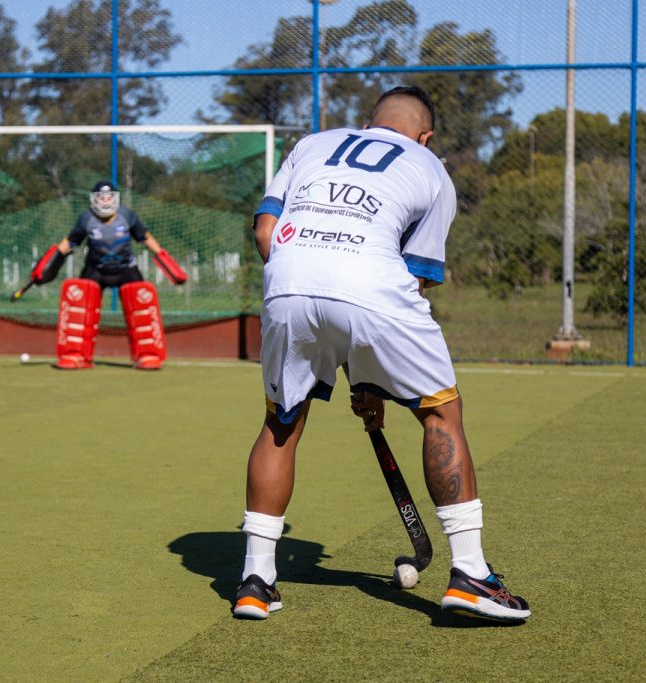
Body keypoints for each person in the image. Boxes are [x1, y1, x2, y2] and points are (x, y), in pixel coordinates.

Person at [232, 85, 531, 623]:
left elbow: (266, 230)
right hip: (373, 288)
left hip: (287, 281)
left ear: (368, 122)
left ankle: (256, 580)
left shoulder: (313, 144)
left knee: (281, 422)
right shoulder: (432, 169)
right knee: (440, 411)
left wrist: (358, 372)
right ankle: (470, 574)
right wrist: (370, 376)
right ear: (426, 136)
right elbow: (414, 280)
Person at [24, 180, 187, 370]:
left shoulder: (128, 216)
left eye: (108, 197)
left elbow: (145, 238)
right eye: (100, 198)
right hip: (95, 270)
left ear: (116, 198)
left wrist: (165, 260)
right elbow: (68, 243)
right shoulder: (86, 219)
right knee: (79, 303)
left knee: (141, 303)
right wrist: (45, 268)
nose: (105, 201)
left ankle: (147, 355)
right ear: (94, 200)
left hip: (126, 269)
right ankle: (76, 355)